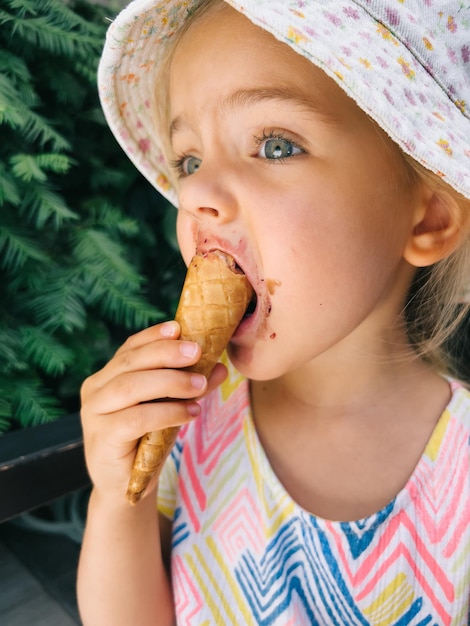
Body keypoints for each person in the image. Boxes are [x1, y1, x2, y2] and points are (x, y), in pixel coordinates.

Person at [77, 1, 470, 624]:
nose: (197, 193)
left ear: (427, 217)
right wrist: (120, 499)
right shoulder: (186, 416)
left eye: (275, 145)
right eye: (190, 161)